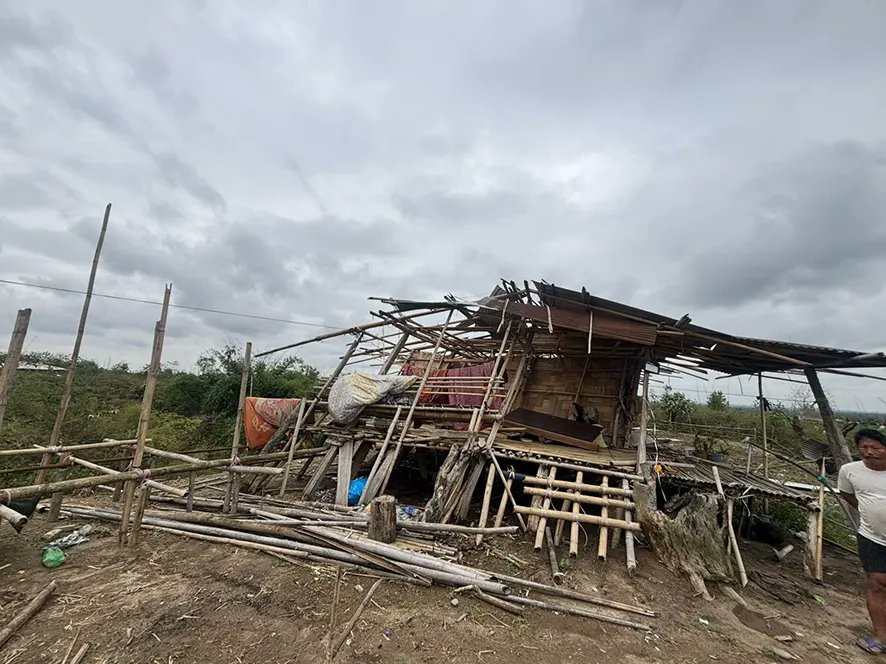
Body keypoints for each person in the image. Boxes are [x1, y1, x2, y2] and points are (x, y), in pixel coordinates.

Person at [838, 428, 886, 654]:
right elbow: (846, 494)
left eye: (875, 447)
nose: (868, 452)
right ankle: (880, 637)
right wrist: (870, 511)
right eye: (863, 448)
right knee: (877, 583)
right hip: (872, 537)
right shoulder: (850, 471)